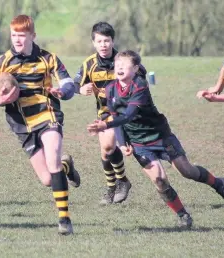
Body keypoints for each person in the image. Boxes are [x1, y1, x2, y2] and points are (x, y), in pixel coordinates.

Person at [87, 50, 224, 228]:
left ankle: (220, 184)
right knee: (159, 180)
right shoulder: (110, 89)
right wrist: (122, 144)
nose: (120, 68)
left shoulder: (140, 86)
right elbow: (117, 118)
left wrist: (104, 125)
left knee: (187, 171)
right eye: (117, 65)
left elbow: (129, 115)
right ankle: (183, 216)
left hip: (160, 136)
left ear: (136, 68)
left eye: (125, 65)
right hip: (139, 142)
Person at [0, 14, 80, 235]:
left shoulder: (49, 59)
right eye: (14, 35)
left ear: (32, 36)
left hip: (47, 114)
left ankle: (64, 220)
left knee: (53, 158)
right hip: (21, 124)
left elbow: (67, 83)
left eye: (22, 35)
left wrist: (62, 92)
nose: (17, 39)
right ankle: (67, 167)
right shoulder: (1, 63)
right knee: (47, 179)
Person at [74, 22, 140, 204]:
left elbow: (142, 80)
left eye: (107, 41)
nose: (103, 45)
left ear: (113, 41)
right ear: (94, 43)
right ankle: (116, 185)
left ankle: (120, 184)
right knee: (106, 151)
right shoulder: (89, 65)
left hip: (127, 112)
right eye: (99, 41)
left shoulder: (124, 61)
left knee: (109, 146)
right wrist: (80, 90)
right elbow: (74, 84)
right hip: (105, 113)